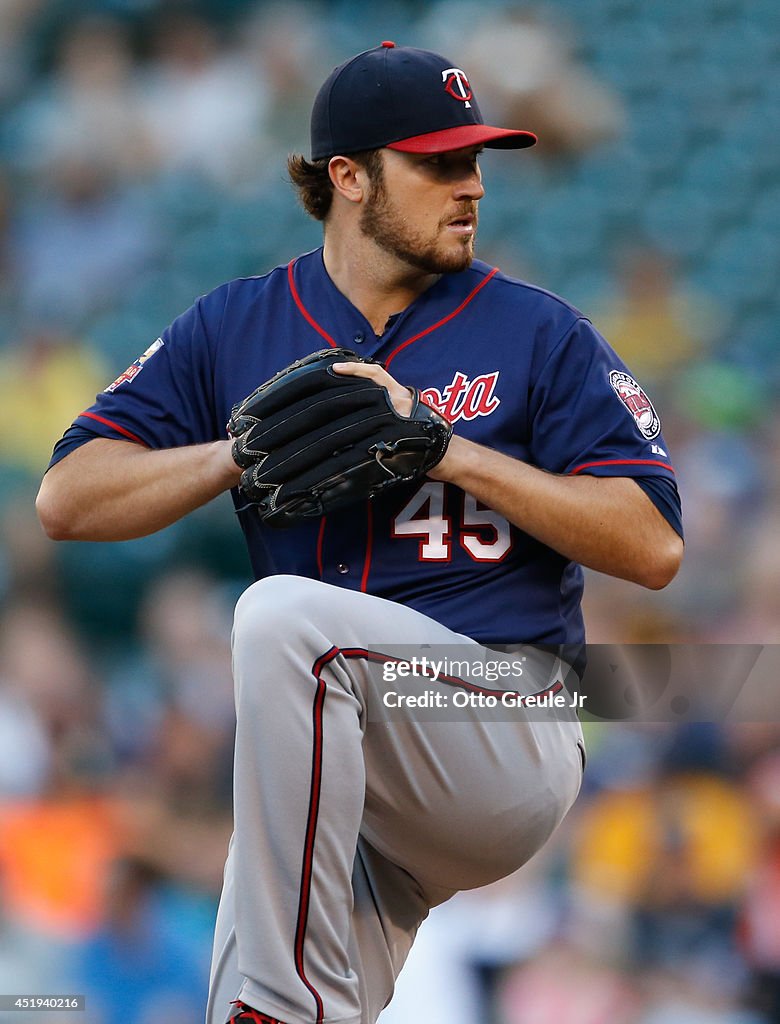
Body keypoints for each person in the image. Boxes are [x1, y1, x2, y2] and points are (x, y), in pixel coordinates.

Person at [36, 42, 684, 1024]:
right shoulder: (235, 327)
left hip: (502, 717)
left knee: (283, 620)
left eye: (476, 162)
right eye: (438, 162)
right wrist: (232, 457)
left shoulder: (537, 332)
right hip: (351, 789)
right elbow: (68, 496)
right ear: (349, 177)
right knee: (245, 995)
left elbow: (653, 543)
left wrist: (449, 452)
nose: (469, 186)